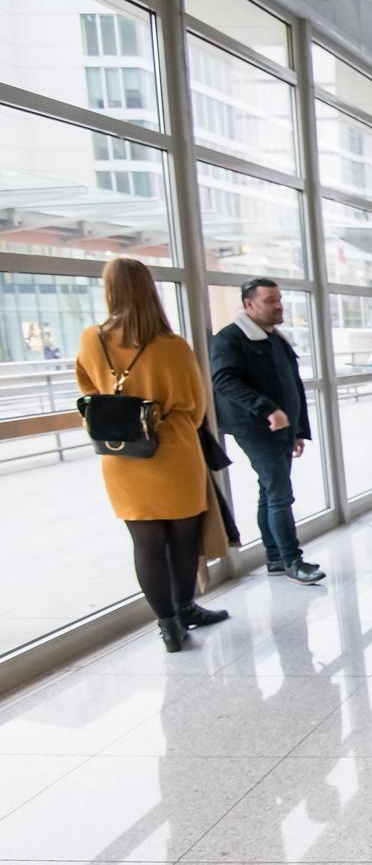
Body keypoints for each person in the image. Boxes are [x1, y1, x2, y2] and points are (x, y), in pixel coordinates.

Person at [76, 258, 229, 652]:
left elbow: (87, 392)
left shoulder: (92, 339)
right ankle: (186, 607)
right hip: (173, 449)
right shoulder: (172, 346)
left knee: (144, 544)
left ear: (110, 290)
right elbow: (194, 407)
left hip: (121, 454)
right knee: (181, 540)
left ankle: (169, 627)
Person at [210, 278, 325, 585]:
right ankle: (291, 560)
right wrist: (266, 409)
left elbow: (292, 385)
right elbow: (224, 381)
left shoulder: (275, 338)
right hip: (256, 427)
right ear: (248, 305)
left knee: (270, 491)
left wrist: (298, 429)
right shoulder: (230, 339)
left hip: (282, 428)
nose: (279, 306)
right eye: (270, 300)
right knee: (279, 493)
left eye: (280, 299)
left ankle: (275, 557)